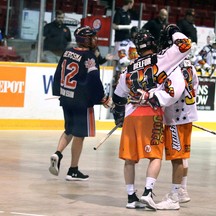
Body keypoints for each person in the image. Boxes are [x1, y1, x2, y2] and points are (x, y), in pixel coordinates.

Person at [112, 25, 192, 210]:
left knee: (129, 158)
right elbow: (185, 44)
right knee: (155, 156)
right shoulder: (162, 58)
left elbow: (118, 96)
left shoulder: (128, 68)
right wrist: (174, 31)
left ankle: (131, 197)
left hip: (131, 115)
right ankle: (148, 193)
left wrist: (118, 116)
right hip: (151, 113)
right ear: (153, 44)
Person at [49, 26, 112, 181]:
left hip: (66, 98)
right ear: (85, 40)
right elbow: (94, 80)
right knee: (80, 135)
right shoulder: (89, 56)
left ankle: (57, 153)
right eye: (91, 37)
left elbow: (57, 75)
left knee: (69, 129)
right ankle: (73, 170)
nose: (94, 40)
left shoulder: (67, 52)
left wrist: (59, 93)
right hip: (80, 101)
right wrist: (102, 98)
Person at [156, 55, 199, 210]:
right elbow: (195, 87)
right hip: (186, 116)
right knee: (182, 156)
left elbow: (172, 93)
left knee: (177, 157)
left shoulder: (172, 67)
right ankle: (181, 190)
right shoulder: (190, 66)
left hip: (176, 118)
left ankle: (174, 197)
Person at [112, 0, 134, 80]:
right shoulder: (119, 12)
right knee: (116, 58)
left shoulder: (128, 14)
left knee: (125, 59)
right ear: (129, 3)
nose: (133, 5)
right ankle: (113, 75)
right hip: (119, 40)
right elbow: (114, 26)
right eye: (132, 4)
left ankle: (123, 77)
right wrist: (127, 27)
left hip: (127, 41)